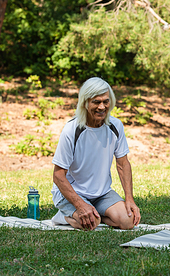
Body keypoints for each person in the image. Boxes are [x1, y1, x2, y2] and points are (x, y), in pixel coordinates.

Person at [51, 77, 141, 230]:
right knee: (89, 223)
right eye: (96, 102)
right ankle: (63, 216)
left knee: (128, 221)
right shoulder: (71, 130)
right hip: (73, 194)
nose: (102, 107)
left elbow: (123, 164)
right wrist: (79, 204)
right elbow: (58, 175)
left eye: (106, 101)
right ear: (85, 103)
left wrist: (129, 199)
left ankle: (95, 214)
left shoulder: (116, 126)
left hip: (101, 194)